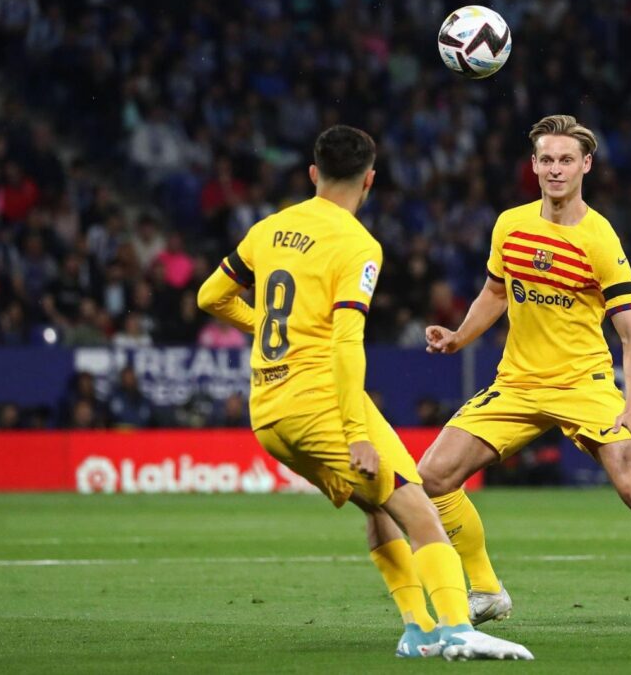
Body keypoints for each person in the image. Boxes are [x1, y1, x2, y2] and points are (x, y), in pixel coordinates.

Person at [196, 125, 531, 661]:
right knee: (420, 508)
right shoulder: (358, 245)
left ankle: (418, 630)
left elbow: (211, 296)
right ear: (370, 181)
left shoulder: (269, 228)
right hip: (321, 404)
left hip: (269, 415)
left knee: (377, 509)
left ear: (313, 173)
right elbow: (348, 343)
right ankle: (456, 629)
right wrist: (356, 432)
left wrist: (267, 328)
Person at [419, 115, 631, 633]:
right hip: (517, 384)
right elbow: (496, 292)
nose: (556, 169)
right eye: (547, 159)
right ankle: (486, 590)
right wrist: (459, 337)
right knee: (432, 476)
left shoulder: (600, 239)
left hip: (582, 386)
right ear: (534, 165)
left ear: (586, 165)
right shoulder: (510, 224)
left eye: (567, 159)